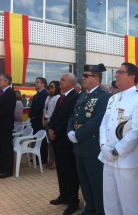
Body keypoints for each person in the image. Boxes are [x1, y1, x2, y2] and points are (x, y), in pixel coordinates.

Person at [99, 62, 138, 215]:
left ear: (132, 77)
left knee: (130, 205)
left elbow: (136, 132)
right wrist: (103, 147)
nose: (116, 75)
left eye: (121, 72)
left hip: (127, 161)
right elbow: (104, 125)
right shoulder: (113, 98)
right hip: (107, 157)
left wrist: (115, 151)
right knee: (110, 202)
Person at [68, 64, 111, 215]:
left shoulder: (104, 97)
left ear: (96, 78)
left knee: (96, 182)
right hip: (79, 146)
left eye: (86, 76)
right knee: (84, 182)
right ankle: (89, 209)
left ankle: (100, 211)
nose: (83, 78)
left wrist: (77, 135)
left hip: (92, 146)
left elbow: (97, 121)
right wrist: (70, 131)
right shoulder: (83, 95)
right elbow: (73, 116)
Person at [48, 73, 80, 215]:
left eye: (63, 80)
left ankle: (73, 201)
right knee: (60, 170)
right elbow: (55, 116)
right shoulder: (62, 96)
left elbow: (69, 119)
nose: (59, 82)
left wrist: (56, 131)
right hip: (56, 139)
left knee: (70, 172)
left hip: (66, 141)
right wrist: (50, 128)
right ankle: (64, 196)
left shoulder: (75, 97)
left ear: (71, 83)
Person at [0, 74, 16, 179]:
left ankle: (8, 170)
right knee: (1, 148)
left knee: (6, 148)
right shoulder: (3, 93)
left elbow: (6, 110)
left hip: (4, 126)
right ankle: (2, 168)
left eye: (0, 80)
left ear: (6, 81)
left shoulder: (11, 93)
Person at [29, 77, 48, 164]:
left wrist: (32, 114)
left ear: (42, 84)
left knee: (41, 140)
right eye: (35, 82)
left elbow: (40, 108)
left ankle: (43, 158)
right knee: (36, 139)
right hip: (35, 121)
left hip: (39, 121)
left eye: (37, 82)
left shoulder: (44, 94)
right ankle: (37, 156)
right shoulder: (36, 94)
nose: (35, 83)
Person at [43, 81, 60, 170]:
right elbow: (45, 109)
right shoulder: (49, 97)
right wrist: (44, 119)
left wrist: (48, 120)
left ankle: (55, 162)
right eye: (49, 87)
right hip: (46, 121)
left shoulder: (57, 98)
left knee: (53, 143)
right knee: (49, 143)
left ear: (56, 88)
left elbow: (56, 112)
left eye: (52, 87)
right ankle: (51, 160)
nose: (50, 88)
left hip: (52, 122)